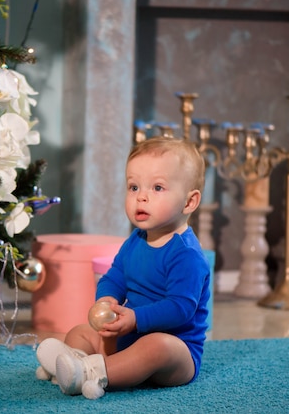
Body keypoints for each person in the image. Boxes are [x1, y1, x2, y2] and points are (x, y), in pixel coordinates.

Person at [35, 136, 212, 399]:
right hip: (129, 332)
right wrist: (106, 301)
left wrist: (136, 319)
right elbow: (115, 277)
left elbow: (180, 308)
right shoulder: (136, 240)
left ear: (189, 202)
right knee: (79, 332)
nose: (141, 197)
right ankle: (74, 363)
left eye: (158, 188)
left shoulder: (186, 254)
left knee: (155, 347)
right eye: (133, 187)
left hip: (176, 353)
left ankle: (89, 372)